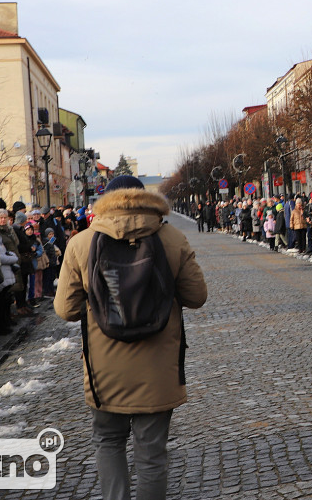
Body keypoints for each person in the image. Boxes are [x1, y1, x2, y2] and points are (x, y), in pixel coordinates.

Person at [55, 175, 208, 500]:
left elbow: (66, 310)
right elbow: (196, 296)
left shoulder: (81, 242)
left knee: (108, 442)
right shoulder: (172, 237)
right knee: (152, 453)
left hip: (104, 367)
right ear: (144, 199)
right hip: (158, 367)